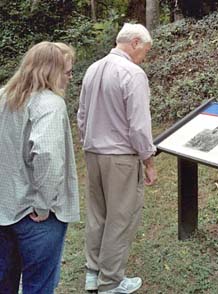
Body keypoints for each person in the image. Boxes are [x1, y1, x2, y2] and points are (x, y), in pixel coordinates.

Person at [77, 23, 157, 294]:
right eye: (145, 50)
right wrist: (148, 160)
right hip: (121, 157)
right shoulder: (133, 74)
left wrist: (87, 143)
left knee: (97, 213)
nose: (144, 56)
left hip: (93, 153)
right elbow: (138, 125)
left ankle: (93, 272)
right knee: (120, 218)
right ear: (135, 42)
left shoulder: (93, 69)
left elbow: (82, 116)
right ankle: (110, 282)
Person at [0, 41, 80, 293]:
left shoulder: (3, 96)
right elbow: (46, 154)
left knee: (4, 280)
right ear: (50, 71)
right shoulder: (50, 105)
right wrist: (44, 204)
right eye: (67, 72)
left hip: (4, 208)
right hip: (36, 216)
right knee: (39, 285)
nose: (70, 77)